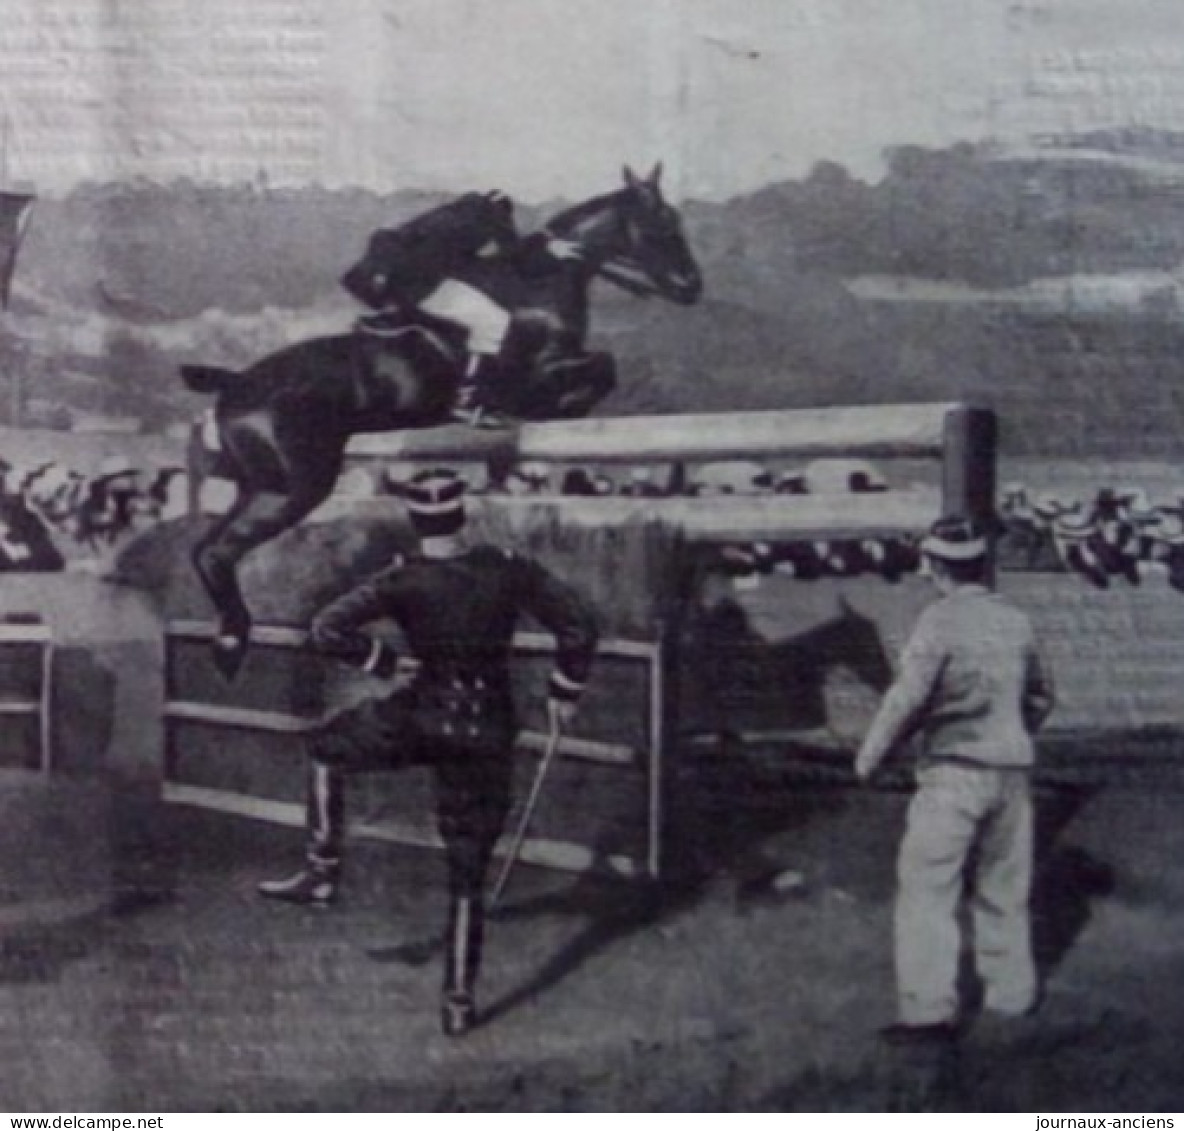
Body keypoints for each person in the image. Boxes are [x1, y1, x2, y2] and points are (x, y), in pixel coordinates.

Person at [257, 468, 599, 1036]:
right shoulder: (507, 569)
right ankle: (459, 1004)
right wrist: (565, 691)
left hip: (420, 716)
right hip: (488, 728)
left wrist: (385, 663)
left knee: (325, 750)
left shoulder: (403, 580)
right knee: (467, 874)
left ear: (415, 521)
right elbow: (579, 624)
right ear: (462, 516)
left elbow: (326, 628)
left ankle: (321, 869)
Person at [854, 515, 1055, 1042]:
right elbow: (1042, 696)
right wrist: (1013, 732)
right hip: (1011, 769)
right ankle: (1012, 996)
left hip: (953, 772)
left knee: (929, 888)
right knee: (1004, 888)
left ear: (935, 565)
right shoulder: (1015, 620)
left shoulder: (938, 622)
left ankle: (928, 1011)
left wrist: (869, 759)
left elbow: (907, 700)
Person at [341, 190, 583, 428]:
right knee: (494, 322)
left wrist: (382, 273)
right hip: (422, 287)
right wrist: (547, 248)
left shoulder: (449, 215)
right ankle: (467, 401)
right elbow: (513, 254)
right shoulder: (483, 219)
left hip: (408, 283)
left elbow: (386, 237)